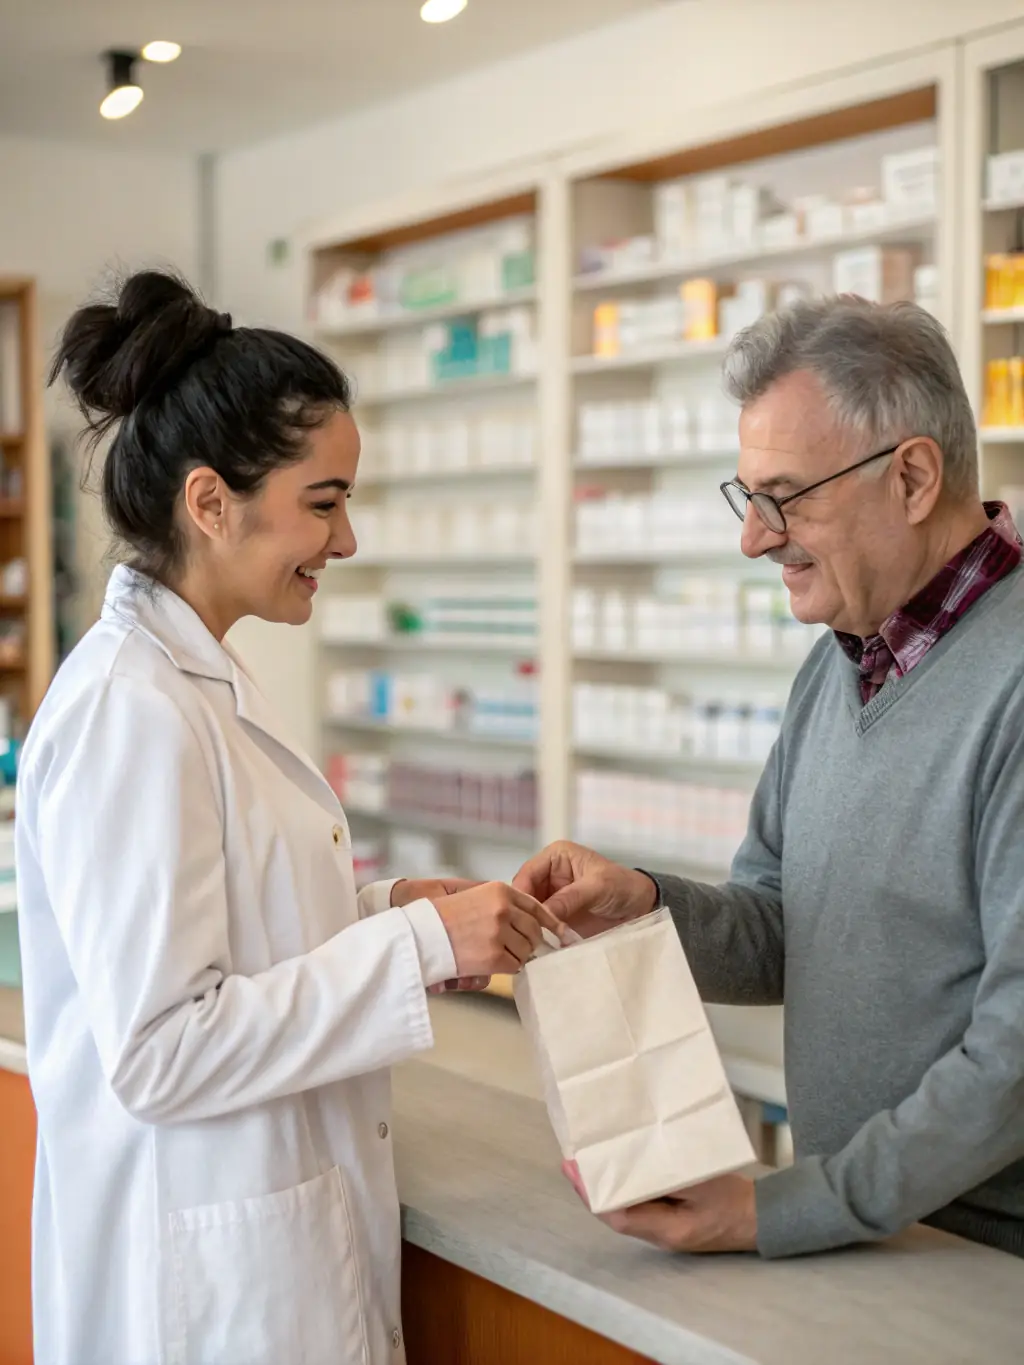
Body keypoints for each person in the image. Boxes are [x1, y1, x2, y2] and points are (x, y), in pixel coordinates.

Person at [16, 269, 562, 1365]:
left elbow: (234, 929)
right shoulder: (132, 709)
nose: (346, 540)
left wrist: (389, 910)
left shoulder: (195, 676)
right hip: (199, 1293)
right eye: (323, 501)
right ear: (211, 502)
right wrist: (416, 948)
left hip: (259, 1257)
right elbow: (163, 1049)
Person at [515, 296, 1024, 1262]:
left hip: (984, 1269)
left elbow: (1016, 1060)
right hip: (865, 1241)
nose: (754, 538)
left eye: (786, 497)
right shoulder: (839, 663)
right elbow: (785, 930)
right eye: (747, 497)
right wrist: (648, 906)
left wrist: (778, 1209)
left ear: (913, 478)